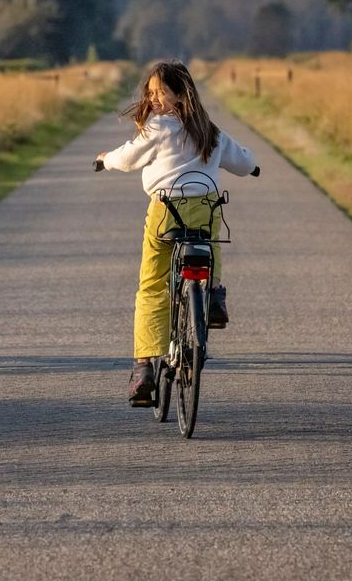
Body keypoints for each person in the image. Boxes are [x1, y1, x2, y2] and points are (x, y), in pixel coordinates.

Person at [97, 61, 257, 406]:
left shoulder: (157, 128)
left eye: (160, 92)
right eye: (151, 92)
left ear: (180, 95)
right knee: (209, 244)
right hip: (205, 208)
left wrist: (106, 159)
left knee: (152, 285)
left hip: (165, 211)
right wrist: (253, 164)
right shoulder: (210, 131)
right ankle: (213, 294)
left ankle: (144, 368)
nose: (153, 98)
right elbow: (244, 163)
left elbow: (127, 159)